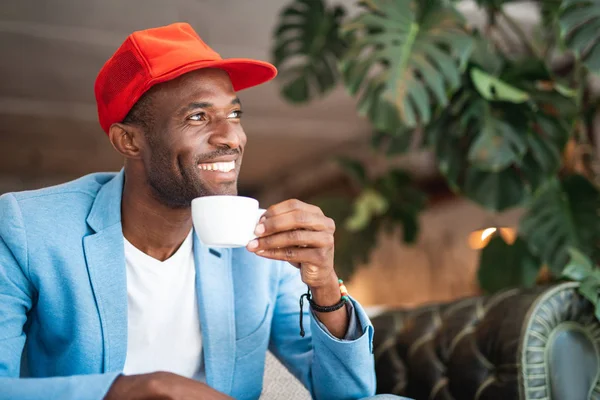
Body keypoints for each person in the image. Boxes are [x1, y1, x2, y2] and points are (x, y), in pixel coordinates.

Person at [0, 23, 405, 400]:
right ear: (128, 141)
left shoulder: (262, 241)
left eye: (234, 114)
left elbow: (348, 394)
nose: (232, 137)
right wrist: (139, 389)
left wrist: (326, 287)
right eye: (198, 117)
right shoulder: (28, 228)